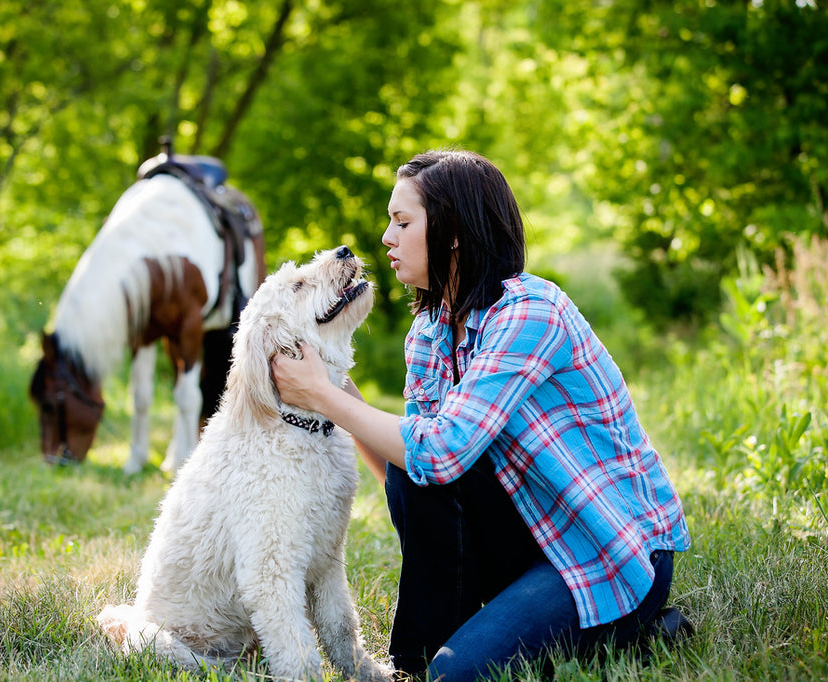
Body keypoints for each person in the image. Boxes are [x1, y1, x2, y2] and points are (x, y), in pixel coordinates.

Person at [271, 149, 692, 681]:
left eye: (402, 222)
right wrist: (334, 383)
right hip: (528, 533)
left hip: (604, 548)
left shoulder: (530, 312)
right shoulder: (429, 331)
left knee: (456, 675)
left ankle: (637, 631)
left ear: (452, 232)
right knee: (413, 478)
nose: (386, 238)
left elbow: (438, 453)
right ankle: (413, 665)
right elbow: (414, 475)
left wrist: (323, 397)